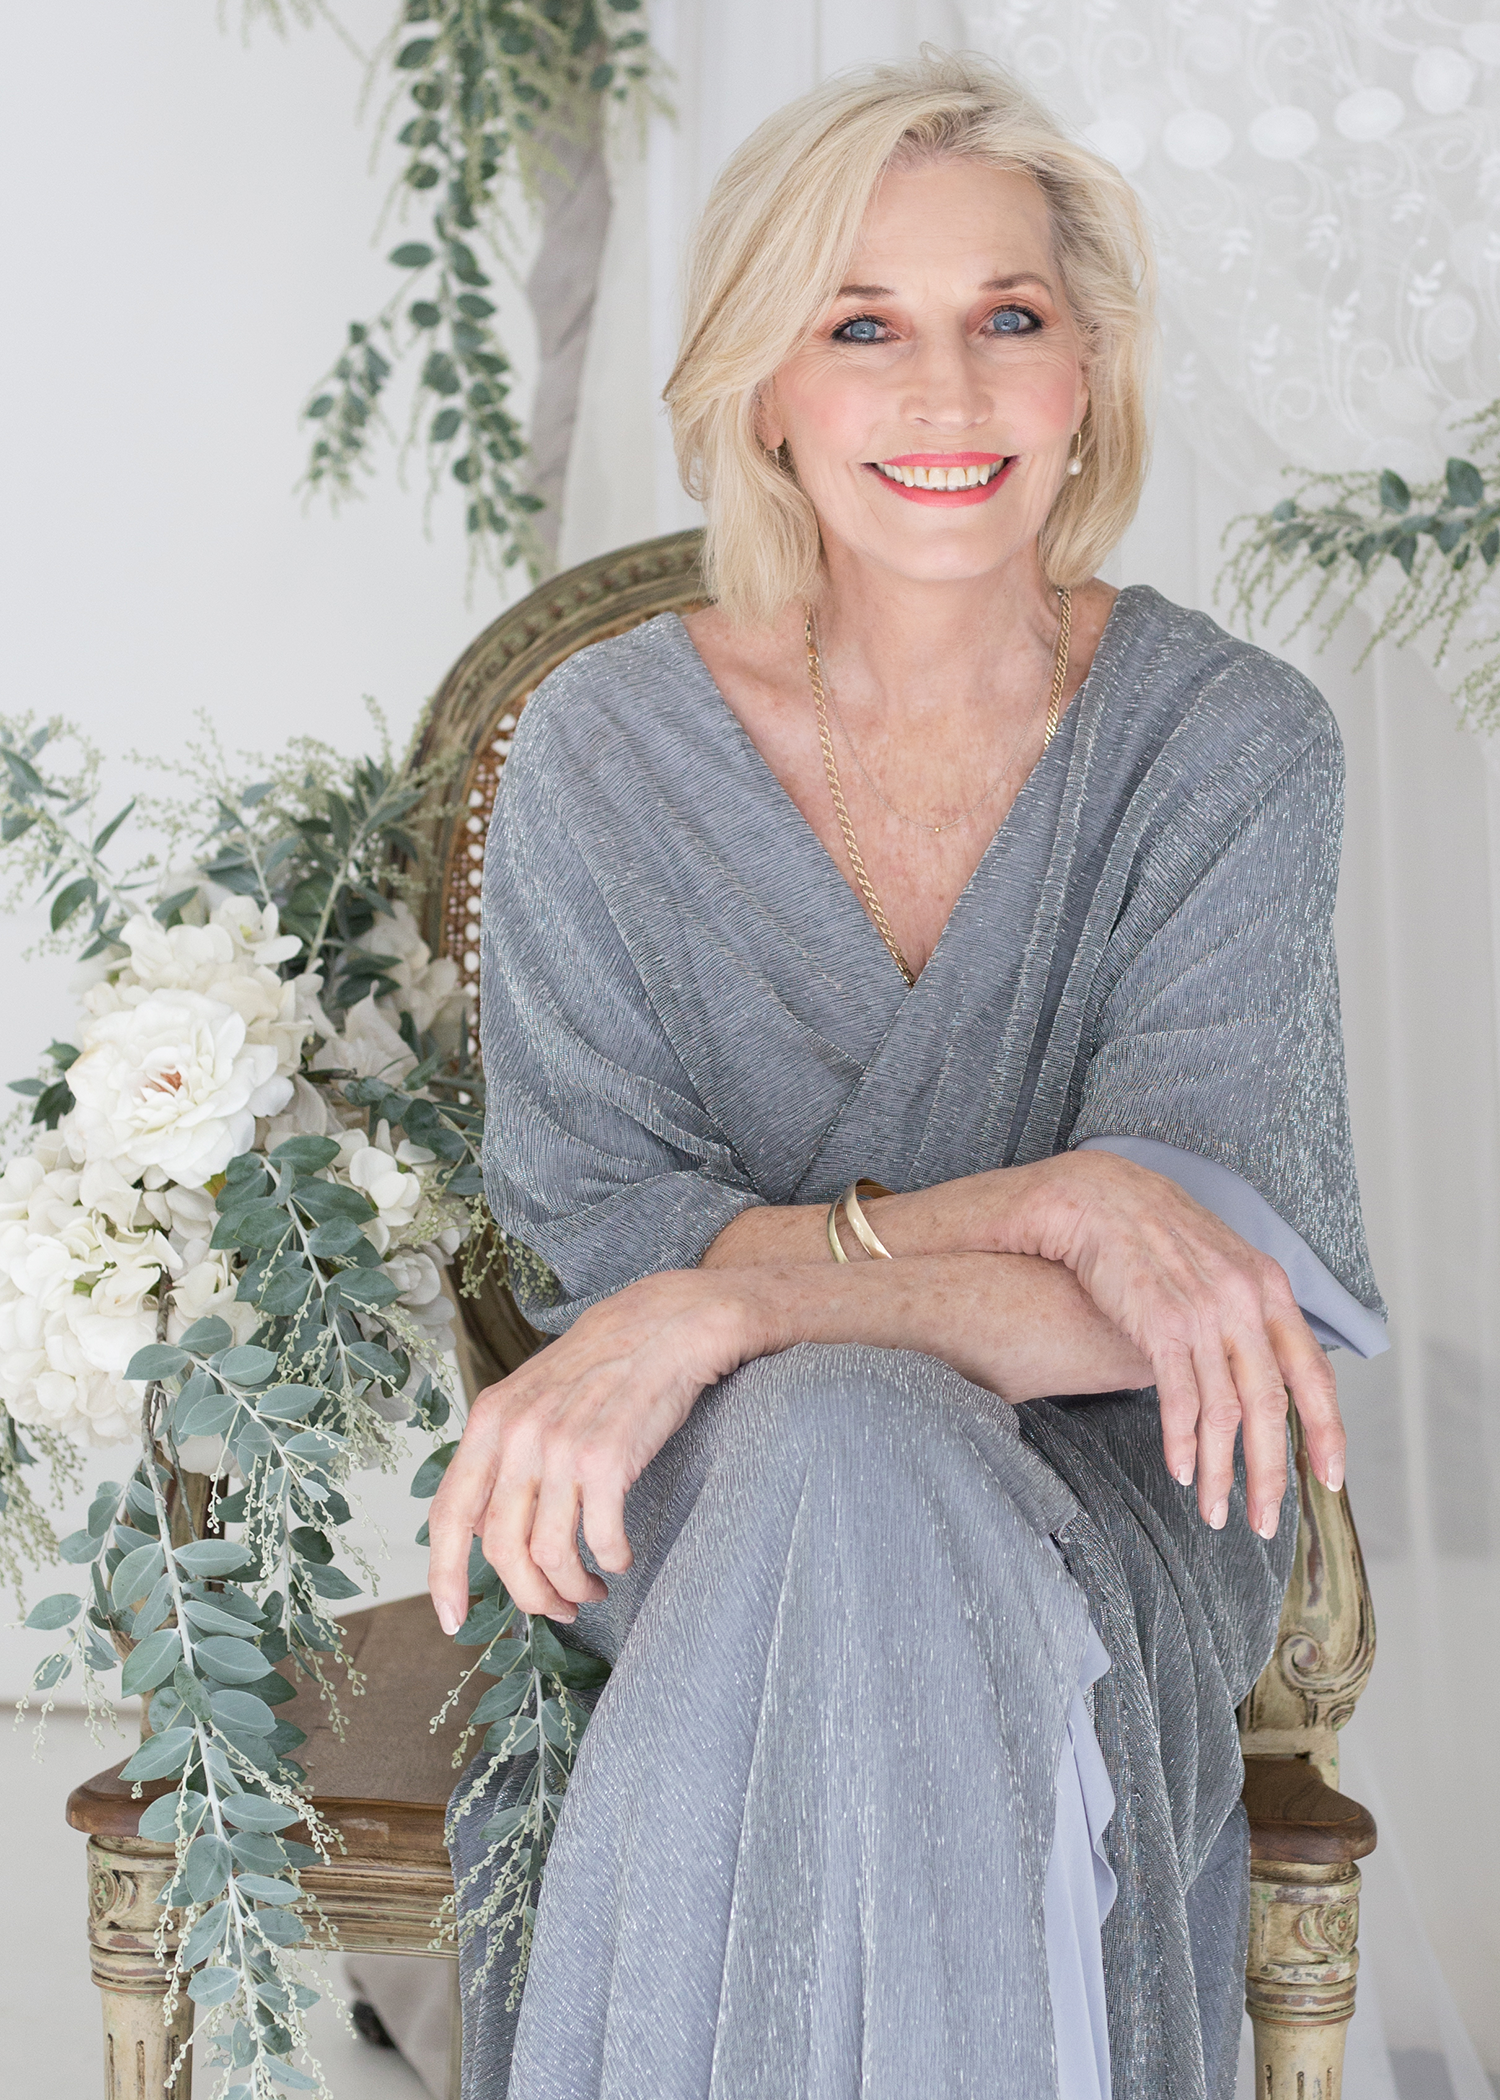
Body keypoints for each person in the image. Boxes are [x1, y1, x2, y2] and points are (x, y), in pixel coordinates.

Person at [428, 50, 1388, 2100]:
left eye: (1004, 321)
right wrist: (1041, 1201)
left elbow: (1182, 1298)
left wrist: (736, 1294)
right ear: (762, 388)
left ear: (1085, 380)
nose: (944, 396)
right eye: (861, 326)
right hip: (683, 1511)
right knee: (825, 1452)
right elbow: (604, 1261)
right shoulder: (602, 754)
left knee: (845, 1439)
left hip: (1113, 1498)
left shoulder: (1229, 747)